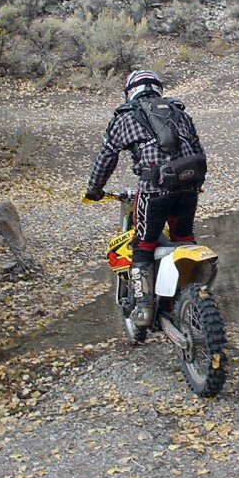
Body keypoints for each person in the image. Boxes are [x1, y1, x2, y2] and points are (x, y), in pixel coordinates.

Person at [85, 69, 206, 326]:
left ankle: (144, 309)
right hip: (188, 188)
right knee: (183, 238)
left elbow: (106, 158)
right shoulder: (179, 112)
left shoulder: (126, 117)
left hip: (154, 192)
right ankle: (186, 298)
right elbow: (197, 151)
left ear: (131, 91)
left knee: (144, 244)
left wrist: (94, 190)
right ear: (158, 89)